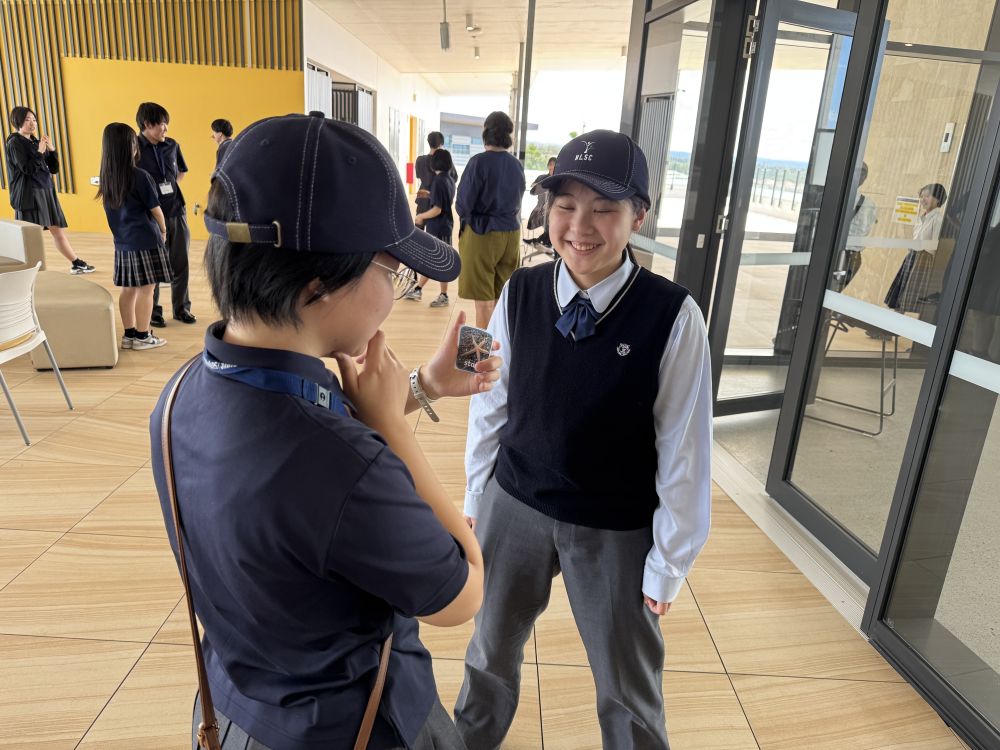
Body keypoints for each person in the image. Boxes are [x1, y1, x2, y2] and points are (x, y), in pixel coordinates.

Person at [150, 112, 502, 750]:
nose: (393, 290)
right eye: (390, 271)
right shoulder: (345, 468)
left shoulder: (180, 394)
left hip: (236, 710)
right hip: (356, 727)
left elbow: (311, 457)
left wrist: (422, 386)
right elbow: (462, 593)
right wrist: (394, 429)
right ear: (320, 285)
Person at [454, 130, 713, 750]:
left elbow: (684, 449)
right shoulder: (521, 289)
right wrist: (476, 494)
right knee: (489, 650)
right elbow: (491, 400)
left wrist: (669, 562)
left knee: (627, 683)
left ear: (639, 216)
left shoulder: (673, 315)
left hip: (615, 524)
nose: (579, 226)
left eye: (603, 208)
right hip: (514, 502)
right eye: (565, 205)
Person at [97, 123, 170, 351]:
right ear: (127, 146)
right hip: (145, 240)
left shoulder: (107, 178)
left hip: (123, 242)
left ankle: (129, 336)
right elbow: (156, 210)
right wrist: (164, 230)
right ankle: (143, 336)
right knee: (148, 289)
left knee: (128, 290)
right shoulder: (139, 176)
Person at [456, 111, 526, 328]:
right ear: (509, 134)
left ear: (486, 132)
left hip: (483, 233)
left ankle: (480, 350)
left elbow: (463, 205)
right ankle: (499, 348)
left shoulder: (478, 162)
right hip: (511, 234)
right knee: (500, 300)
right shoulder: (516, 164)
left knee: (483, 303)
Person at [4, 106, 94, 274]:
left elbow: (53, 169)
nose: (32, 123)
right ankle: (26, 271)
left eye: (34, 119)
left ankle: (76, 263)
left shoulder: (35, 141)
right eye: (27, 120)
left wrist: (51, 150)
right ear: (17, 122)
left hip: (46, 190)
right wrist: (39, 152)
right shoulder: (14, 142)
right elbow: (27, 169)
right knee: (30, 237)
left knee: (57, 231)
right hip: (30, 194)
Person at [135, 101, 196, 327]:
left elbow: (181, 171)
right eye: (162, 124)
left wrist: (170, 188)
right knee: (154, 266)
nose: (166, 128)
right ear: (147, 124)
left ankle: (182, 309)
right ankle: (154, 312)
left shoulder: (172, 145)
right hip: (149, 215)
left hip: (176, 210)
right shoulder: (134, 148)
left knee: (181, 263)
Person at [884, 182, 947, 314]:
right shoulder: (921, 217)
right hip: (912, 255)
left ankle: (894, 324)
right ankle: (891, 323)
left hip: (923, 258)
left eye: (927, 196)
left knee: (906, 298)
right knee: (899, 297)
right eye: (921, 196)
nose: (923, 199)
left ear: (938, 199)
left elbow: (935, 245)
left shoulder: (938, 219)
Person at [411, 149, 457, 308]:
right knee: (436, 260)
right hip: (445, 225)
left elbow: (437, 209)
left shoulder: (438, 181)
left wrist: (421, 216)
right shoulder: (449, 179)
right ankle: (419, 289)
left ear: (434, 163)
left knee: (436, 261)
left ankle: (433, 293)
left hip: (438, 226)